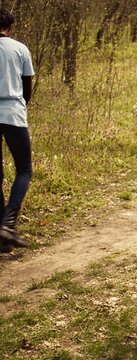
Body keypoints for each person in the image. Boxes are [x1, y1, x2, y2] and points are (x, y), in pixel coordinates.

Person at [0, 9, 34, 254]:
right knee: (24, 169)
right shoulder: (19, 48)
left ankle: (2, 237)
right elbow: (27, 87)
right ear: (9, 27)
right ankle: (8, 224)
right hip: (12, 113)